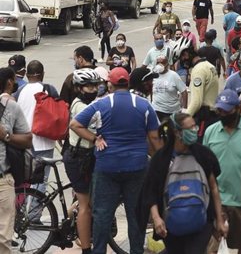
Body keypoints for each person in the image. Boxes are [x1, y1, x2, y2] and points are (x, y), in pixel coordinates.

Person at [70, 67, 162, 254]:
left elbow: (75, 124)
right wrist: (163, 160)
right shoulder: (144, 105)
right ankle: (136, 250)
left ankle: (99, 250)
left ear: (110, 85)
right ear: (127, 83)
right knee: (136, 216)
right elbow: (154, 138)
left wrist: (95, 139)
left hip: (107, 168)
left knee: (102, 215)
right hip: (137, 167)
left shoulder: (101, 104)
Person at [138, 112, 225, 254]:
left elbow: (214, 188)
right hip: (171, 224)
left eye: (195, 127)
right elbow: (151, 192)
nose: (195, 130)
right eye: (190, 128)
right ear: (177, 132)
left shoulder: (203, 155)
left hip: (202, 222)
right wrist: (156, 218)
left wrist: (219, 220)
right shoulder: (161, 159)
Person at [204, 90, 241, 254]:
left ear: (238, 108)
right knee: (211, 248)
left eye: (227, 110)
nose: (223, 114)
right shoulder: (211, 131)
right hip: (218, 201)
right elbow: (205, 167)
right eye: (220, 110)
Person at [63, 68, 103, 254]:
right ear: (79, 88)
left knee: (86, 200)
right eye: (88, 86)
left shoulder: (90, 103)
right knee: (85, 205)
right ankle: (86, 249)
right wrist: (97, 139)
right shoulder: (81, 106)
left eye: (95, 85)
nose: (93, 89)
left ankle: (70, 223)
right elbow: (92, 130)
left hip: (86, 157)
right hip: (79, 158)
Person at [15, 61, 60, 205]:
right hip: (44, 142)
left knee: (25, 180)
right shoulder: (49, 89)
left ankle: (22, 212)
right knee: (41, 180)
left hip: (24, 142)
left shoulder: (19, 91)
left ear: (27, 75)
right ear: (43, 74)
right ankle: (34, 215)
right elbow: (59, 114)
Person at [0, 67, 32, 254]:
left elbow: (28, 139)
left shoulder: (11, 107)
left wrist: (6, 136)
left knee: (4, 238)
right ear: (10, 82)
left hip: (3, 180)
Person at [152, 55, 188, 121]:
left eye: (162, 63)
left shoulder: (173, 75)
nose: (159, 65)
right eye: (158, 63)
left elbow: (184, 92)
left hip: (172, 112)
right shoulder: (154, 75)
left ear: (167, 64)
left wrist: (184, 109)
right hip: (157, 110)